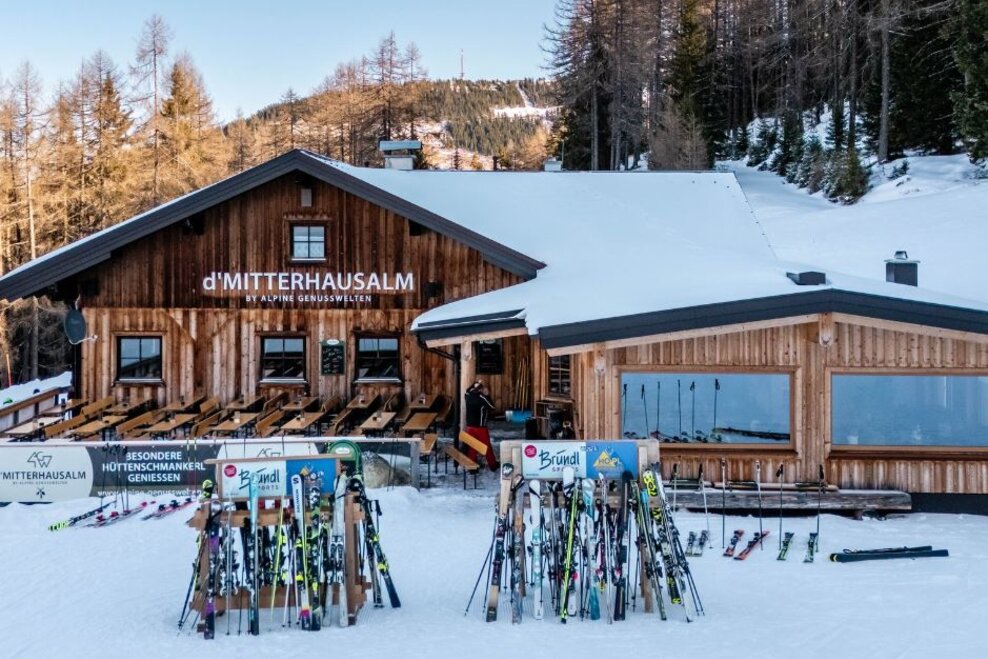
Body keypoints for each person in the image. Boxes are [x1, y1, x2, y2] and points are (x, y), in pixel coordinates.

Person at [464, 380, 498, 471]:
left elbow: (467, 389)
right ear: (480, 390)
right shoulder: (481, 398)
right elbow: (492, 407)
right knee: (486, 447)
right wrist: (487, 395)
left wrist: (475, 383)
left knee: (472, 447)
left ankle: (472, 467)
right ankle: (493, 465)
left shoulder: (467, 395)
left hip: (469, 426)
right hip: (480, 427)